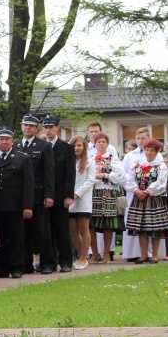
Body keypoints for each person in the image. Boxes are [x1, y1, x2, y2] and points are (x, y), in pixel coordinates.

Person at [0, 127, 34, 279]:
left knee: (16, 237)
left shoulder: (22, 158)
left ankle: (17, 267)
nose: (4, 142)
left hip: (15, 204)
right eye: (1, 139)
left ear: (12, 141)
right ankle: (1, 267)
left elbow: (28, 184)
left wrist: (27, 206)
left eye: (7, 139)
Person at [14, 114, 55, 274]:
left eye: (31, 125)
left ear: (36, 128)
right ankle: (25, 263)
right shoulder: (16, 146)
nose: (28, 128)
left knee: (42, 230)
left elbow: (49, 172)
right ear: (21, 127)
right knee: (22, 232)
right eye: (25, 125)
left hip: (38, 195)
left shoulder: (44, 146)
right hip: (20, 197)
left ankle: (47, 263)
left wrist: (49, 194)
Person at [124, 139, 168, 264]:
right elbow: (129, 180)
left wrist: (148, 191)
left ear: (157, 151)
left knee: (155, 227)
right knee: (141, 228)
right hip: (139, 199)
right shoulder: (137, 164)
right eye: (147, 150)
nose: (148, 153)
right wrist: (136, 190)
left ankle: (154, 255)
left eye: (152, 151)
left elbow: (162, 182)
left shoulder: (161, 166)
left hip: (154, 199)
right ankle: (143, 255)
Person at [41, 116, 75, 273]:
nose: (48, 130)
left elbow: (70, 174)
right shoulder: (40, 146)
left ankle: (66, 261)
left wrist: (69, 195)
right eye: (45, 127)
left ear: (57, 129)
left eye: (51, 127)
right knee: (46, 231)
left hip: (60, 194)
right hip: (43, 195)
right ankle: (49, 262)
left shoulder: (66, 148)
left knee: (62, 229)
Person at [89, 133, 125, 263]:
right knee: (91, 224)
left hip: (108, 191)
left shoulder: (113, 159)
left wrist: (105, 175)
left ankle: (106, 254)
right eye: (99, 141)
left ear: (107, 144)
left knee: (108, 224)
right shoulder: (90, 158)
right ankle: (94, 253)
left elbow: (121, 177)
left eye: (104, 141)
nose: (101, 144)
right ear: (95, 144)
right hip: (94, 191)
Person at [121, 127, 149, 261]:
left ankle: (149, 253)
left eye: (143, 138)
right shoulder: (129, 156)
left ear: (148, 138)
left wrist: (147, 190)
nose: (140, 141)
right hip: (133, 193)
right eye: (138, 138)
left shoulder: (154, 154)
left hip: (149, 193)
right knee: (132, 222)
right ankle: (132, 253)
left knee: (148, 222)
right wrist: (135, 189)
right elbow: (124, 175)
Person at [68, 137, 95, 269]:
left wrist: (77, 194)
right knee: (74, 230)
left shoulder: (90, 162)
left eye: (79, 145)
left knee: (84, 229)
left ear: (84, 147)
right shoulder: (69, 162)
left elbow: (90, 181)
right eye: (74, 146)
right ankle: (80, 256)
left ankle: (84, 258)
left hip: (83, 199)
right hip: (70, 200)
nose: (76, 148)